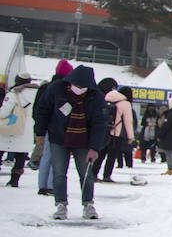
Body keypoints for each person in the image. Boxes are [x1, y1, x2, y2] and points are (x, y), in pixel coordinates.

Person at [31, 64, 108, 219]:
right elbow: (43, 110)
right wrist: (39, 133)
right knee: (59, 172)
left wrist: (94, 147)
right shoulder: (56, 88)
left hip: (84, 140)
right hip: (59, 137)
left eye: (83, 86)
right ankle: (60, 204)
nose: (79, 88)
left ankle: (88, 203)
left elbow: (100, 123)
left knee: (86, 173)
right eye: (77, 85)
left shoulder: (96, 96)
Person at [33, 60, 73, 195]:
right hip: (57, 127)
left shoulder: (44, 87)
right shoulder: (64, 88)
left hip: (43, 126)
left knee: (45, 156)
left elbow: (37, 109)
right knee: (56, 157)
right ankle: (51, 186)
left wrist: (39, 128)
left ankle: (42, 184)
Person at [0, 74, 38, 187]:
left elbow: (4, 112)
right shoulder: (38, 94)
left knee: (1, 151)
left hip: (11, 126)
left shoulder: (13, 93)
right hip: (27, 129)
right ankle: (15, 180)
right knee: (21, 155)